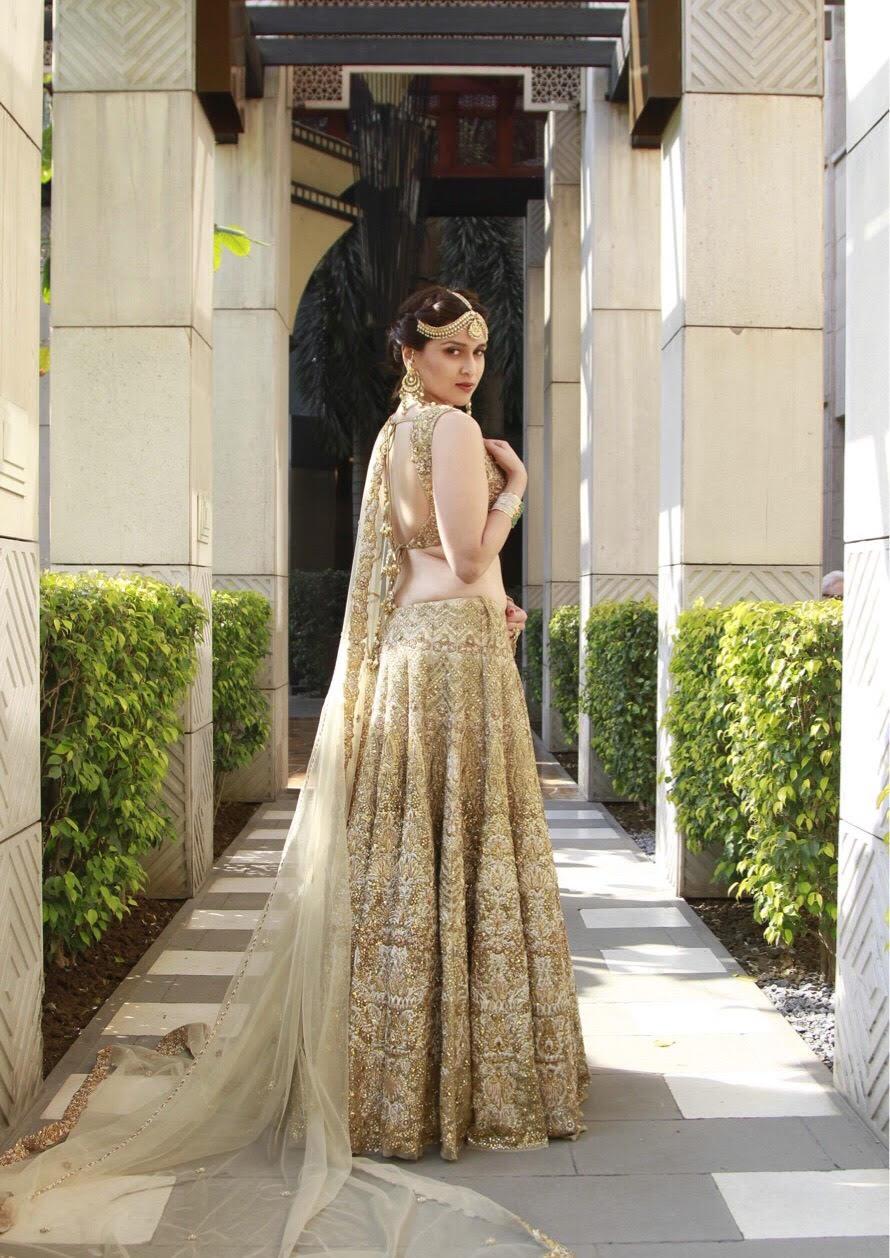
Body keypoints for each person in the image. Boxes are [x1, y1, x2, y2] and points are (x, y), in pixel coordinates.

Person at [0, 286, 587, 1256]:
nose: (468, 368)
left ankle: (396, 1079)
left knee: (414, 860)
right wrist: (514, 486)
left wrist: (500, 607)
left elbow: (407, 567)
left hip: (424, 647)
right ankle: (456, 1078)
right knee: (457, 851)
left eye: (477, 351)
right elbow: (461, 553)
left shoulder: (394, 435)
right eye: (449, 350)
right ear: (412, 355)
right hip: (448, 659)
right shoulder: (450, 431)